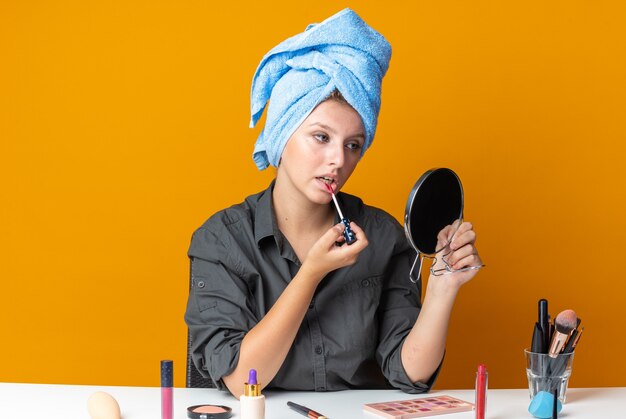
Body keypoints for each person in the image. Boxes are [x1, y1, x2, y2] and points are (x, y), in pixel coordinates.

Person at [185, 8, 482, 398]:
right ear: (283, 133)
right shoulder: (221, 241)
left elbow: (409, 373)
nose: (339, 160)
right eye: (321, 137)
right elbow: (243, 381)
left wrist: (444, 286)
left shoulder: (384, 235)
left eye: (353, 145)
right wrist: (311, 274)